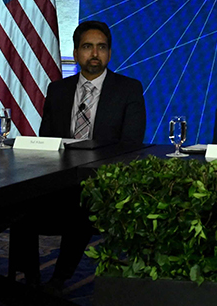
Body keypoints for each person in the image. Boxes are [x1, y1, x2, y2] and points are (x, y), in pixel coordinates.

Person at [14, 20, 147, 291]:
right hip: (58, 179)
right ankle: (30, 283)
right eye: (87, 47)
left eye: (101, 47)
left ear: (109, 53)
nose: (95, 54)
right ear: (76, 53)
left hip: (101, 184)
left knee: (81, 210)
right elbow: (47, 141)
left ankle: (58, 280)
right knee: (17, 207)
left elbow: (130, 145)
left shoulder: (129, 89)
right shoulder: (58, 90)